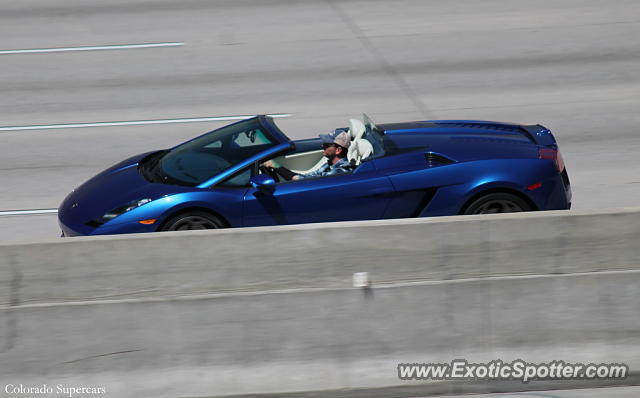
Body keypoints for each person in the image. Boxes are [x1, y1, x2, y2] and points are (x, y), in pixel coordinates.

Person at [262, 129, 353, 181]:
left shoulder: (339, 172)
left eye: (326, 144)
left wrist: (276, 166)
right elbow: (308, 176)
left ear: (338, 150)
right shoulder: (329, 165)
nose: (322, 145)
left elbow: (301, 180)